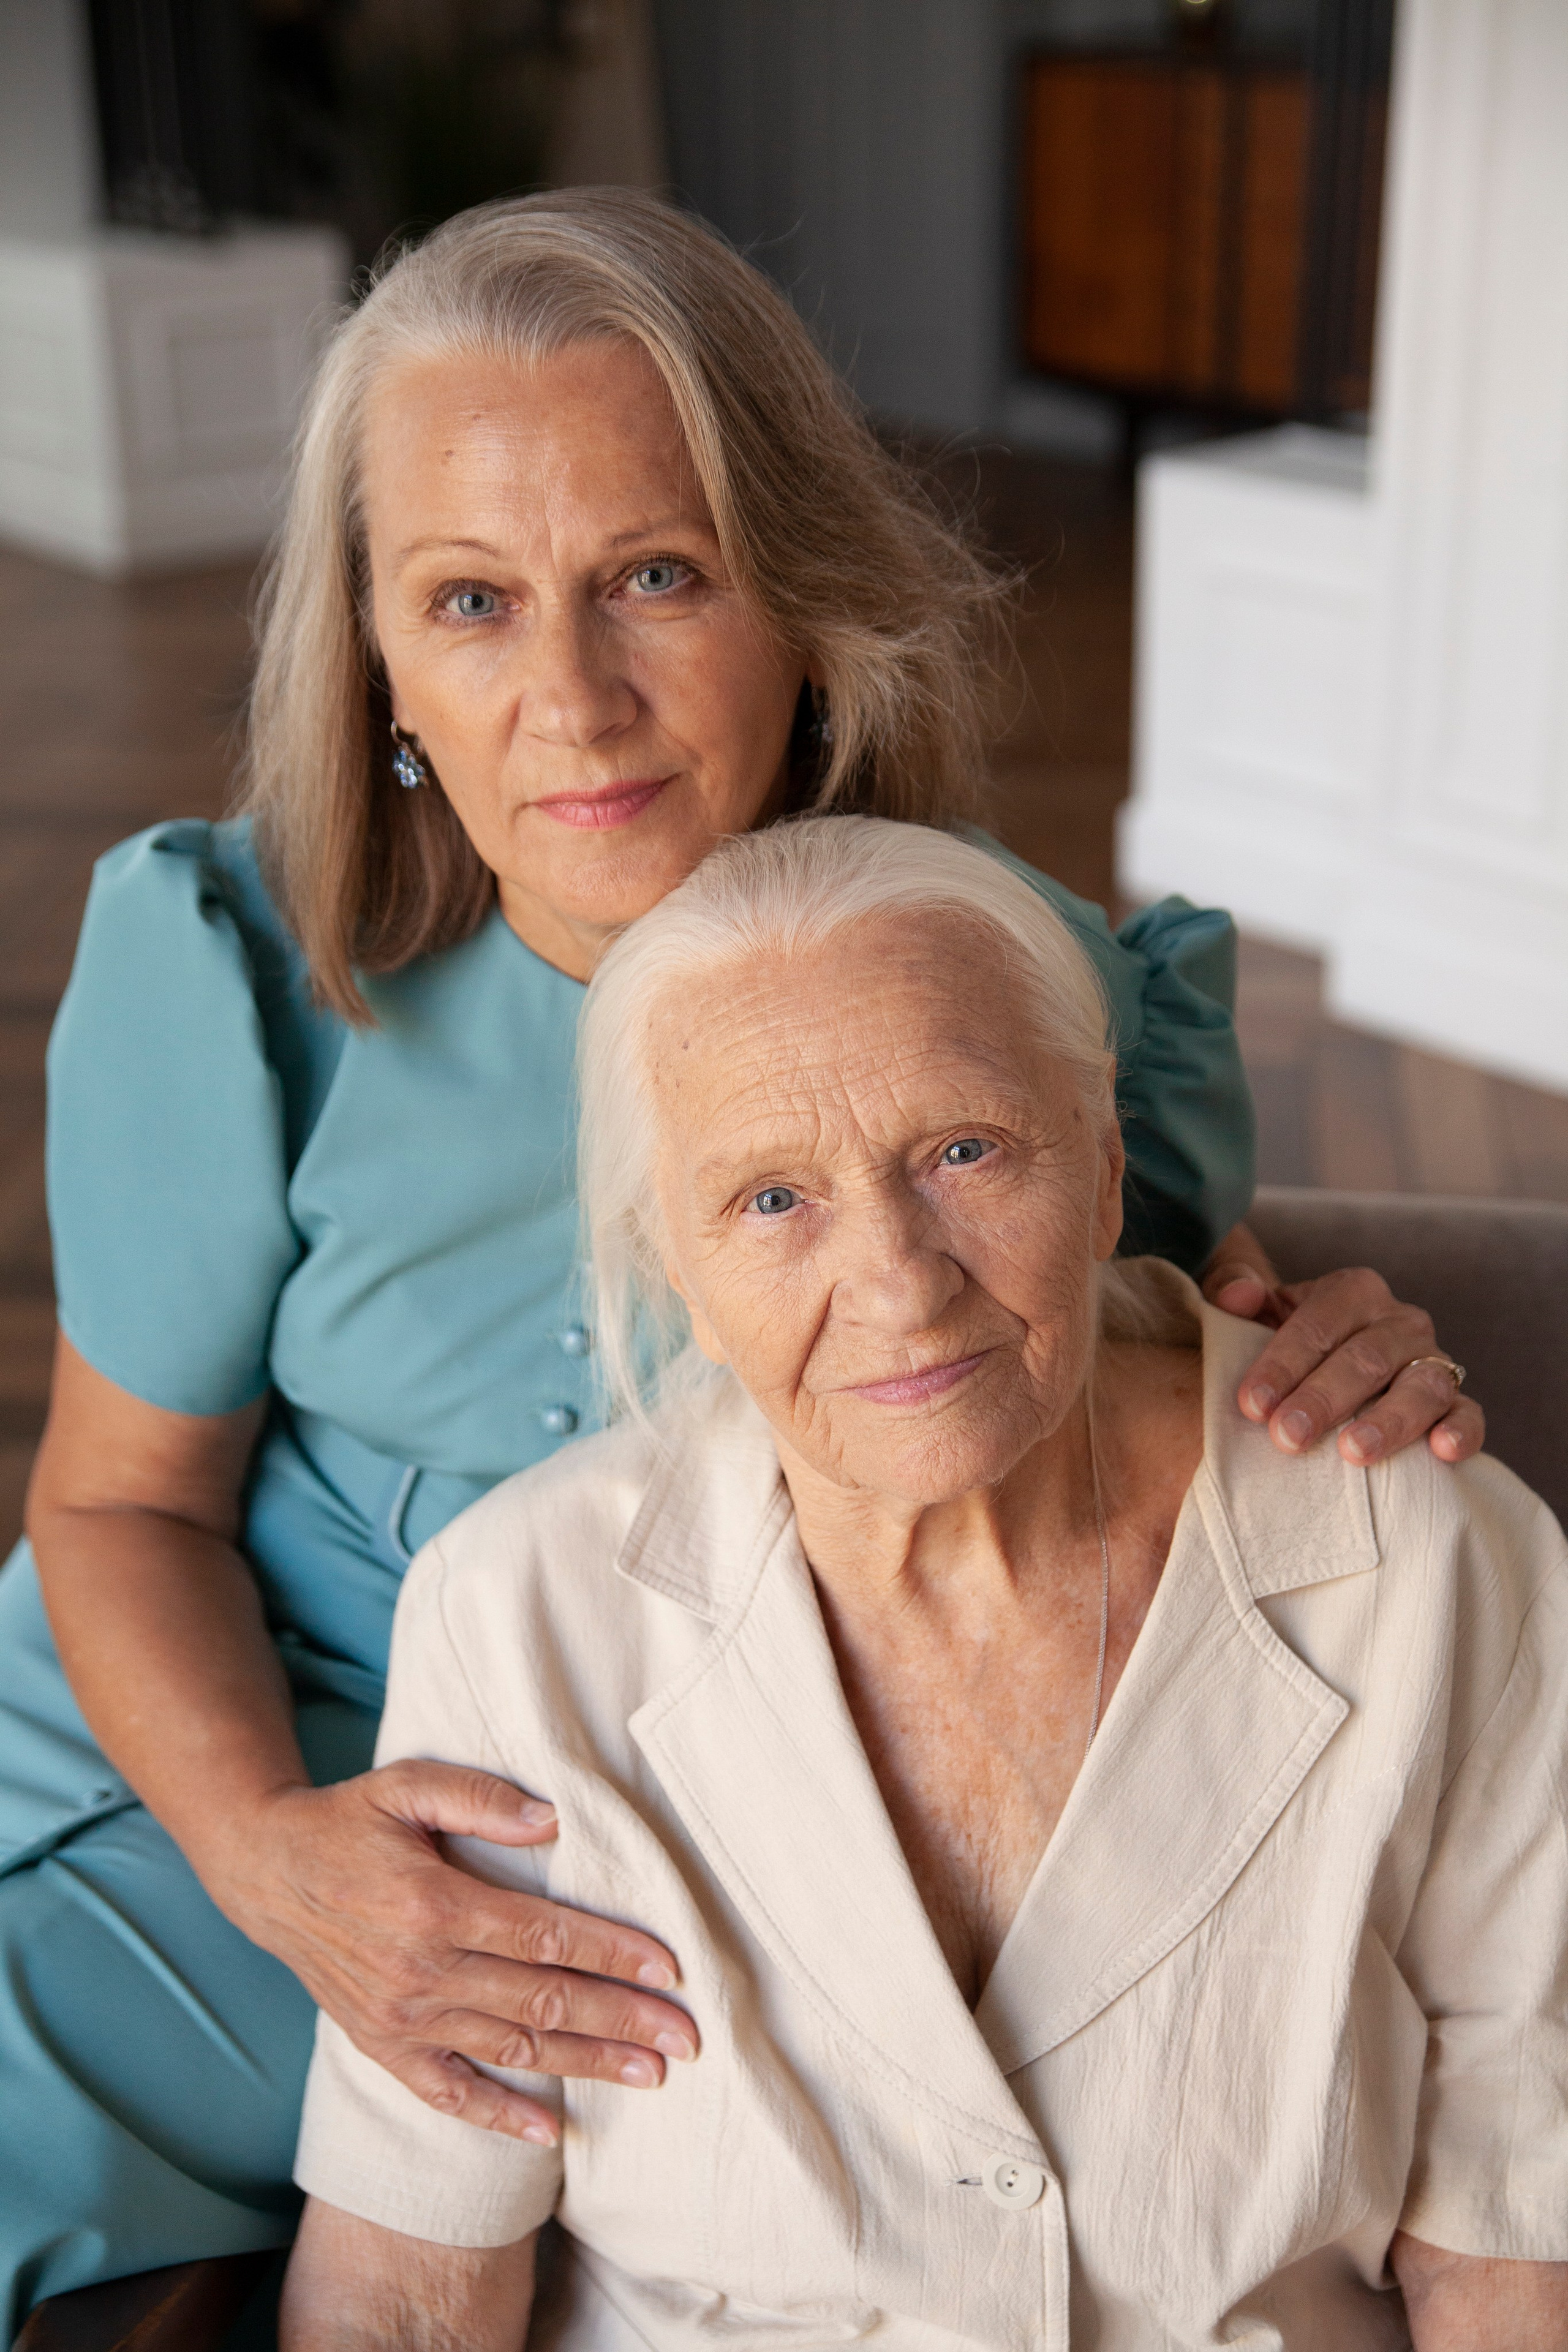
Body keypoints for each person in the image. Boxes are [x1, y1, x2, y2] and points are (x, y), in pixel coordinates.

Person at [1, 190, 1481, 2331]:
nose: (575, 701)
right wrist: (274, 1861)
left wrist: (1343, 1345)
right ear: (382, 654)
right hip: (247, 1779)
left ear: (802, 594)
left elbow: (1176, 1371)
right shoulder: (236, 963)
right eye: (473, 602)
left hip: (670, 1865)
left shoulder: (1037, 992)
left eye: (657, 577)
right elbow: (116, 1506)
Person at [284, 818, 1568, 2352]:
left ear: (1101, 1174)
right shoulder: (514, 1612)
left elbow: (1508, 2241)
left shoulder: (1431, 1558)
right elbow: (408, 2285)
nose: (896, 1280)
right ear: (668, 1261)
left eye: (963, 1151)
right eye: (771, 1199)